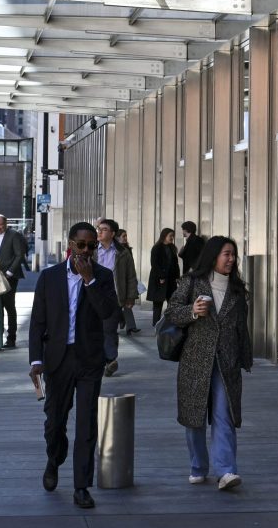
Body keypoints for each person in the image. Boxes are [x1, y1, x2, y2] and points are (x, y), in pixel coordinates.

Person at [28, 221, 119, 510]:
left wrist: (90, 281)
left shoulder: (102, 276)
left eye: (92, 246)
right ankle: (54, 459)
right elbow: (37, 321)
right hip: (58, 359)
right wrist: (36, 359)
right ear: (70, 245)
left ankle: (81, 486)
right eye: (81, 245)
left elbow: (108, 313)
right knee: (55, 422)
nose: (86, 251)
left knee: (87, 424)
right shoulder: (50, 277)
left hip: (89, 359)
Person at [163, 235, 252, 490]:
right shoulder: (192, 282)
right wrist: (192, 311)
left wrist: (245, 358)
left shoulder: (237, 289)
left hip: (227, 361)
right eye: (227, 254)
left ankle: (226, 470)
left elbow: (241, 327)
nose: (231, 259)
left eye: (233, 255)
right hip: (195, 360)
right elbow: (172, 311)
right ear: (213, 257)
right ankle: (198, 466)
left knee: (225, 414)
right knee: (195, 416)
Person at [94, 219, 139, 376]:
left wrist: (131, 297)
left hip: (114, 297)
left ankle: (111, 360)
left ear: (113, 234)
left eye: (104, 229)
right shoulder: (92, 250)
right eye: (99, 229)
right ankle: (99, 359)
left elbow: (131, 276)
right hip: (93, 297)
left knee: (109, 329)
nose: (100, 232)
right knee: (94, 330)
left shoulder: (122, 253)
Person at [0, 214, 28, 349]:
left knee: (9, 306)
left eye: (0, 225)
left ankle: (11, 338)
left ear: (6, 224)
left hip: (8, 277)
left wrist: (9, 273)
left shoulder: (14, 235)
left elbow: (19, 255)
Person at [147, 227, 180, 326]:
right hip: (159, 280)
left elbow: (176, 264)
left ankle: (171, 324)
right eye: (170, 236)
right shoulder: (157, 248)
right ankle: (156, 324)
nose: (172, 238)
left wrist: (178, 277)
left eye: (173, 236)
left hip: (171, 280)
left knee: (172, 302)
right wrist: (161, 276)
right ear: (164, 236)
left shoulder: (172, 248)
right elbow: (154, 264)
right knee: (158, 304)